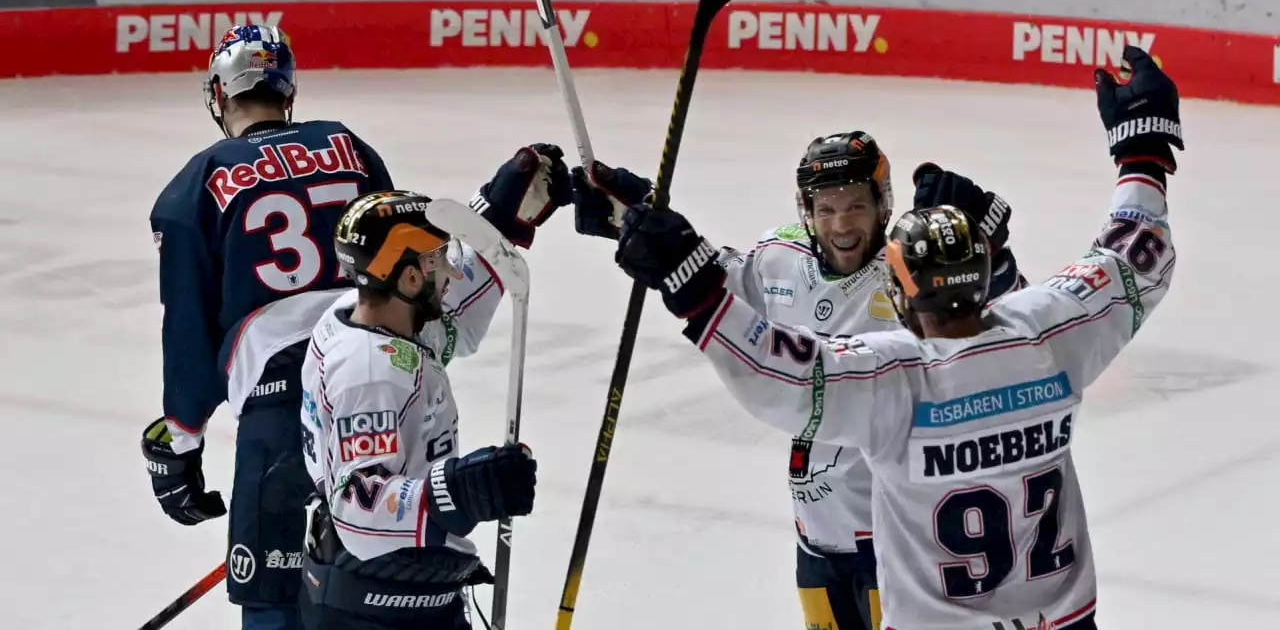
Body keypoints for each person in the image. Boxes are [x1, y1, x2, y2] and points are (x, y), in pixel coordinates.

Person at [609, 46, 1180, 629]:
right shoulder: (1048, 334)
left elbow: (775, 370)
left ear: (901, 293)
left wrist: (687, 283)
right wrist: (1144, 152)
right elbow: (1135, 256)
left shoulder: (895, 382)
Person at [140, 23, 570, 629]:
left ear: (219, 94)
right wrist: (492, 219)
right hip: (378, 367)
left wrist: (179, 442)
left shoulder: (198, 182)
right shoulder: (346, 146)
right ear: (287, 90)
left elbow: (188, 332)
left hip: (276, 417)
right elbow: (412, 261)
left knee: (277, 603)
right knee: (384, 576)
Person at [571, 136, 1023, 630]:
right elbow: (708, 276)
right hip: (816, 538)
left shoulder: (907, 272)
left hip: (899, 539)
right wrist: (632, 218)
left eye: (856, 206)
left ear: (883, 204)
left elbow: (992, 328)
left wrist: (991, 256)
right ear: (806, 210)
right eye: (826, 208)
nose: (842, 225)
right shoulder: (780, 256)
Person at [297, 189, 550, 630]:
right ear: (410, 280)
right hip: (374, 612)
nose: (451, 270)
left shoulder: (365, 315)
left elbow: (456, 318)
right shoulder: (371, 373)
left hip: (395, 597)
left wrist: (501, 218)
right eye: (439, 260)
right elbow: (356, 510)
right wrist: (459, 490)